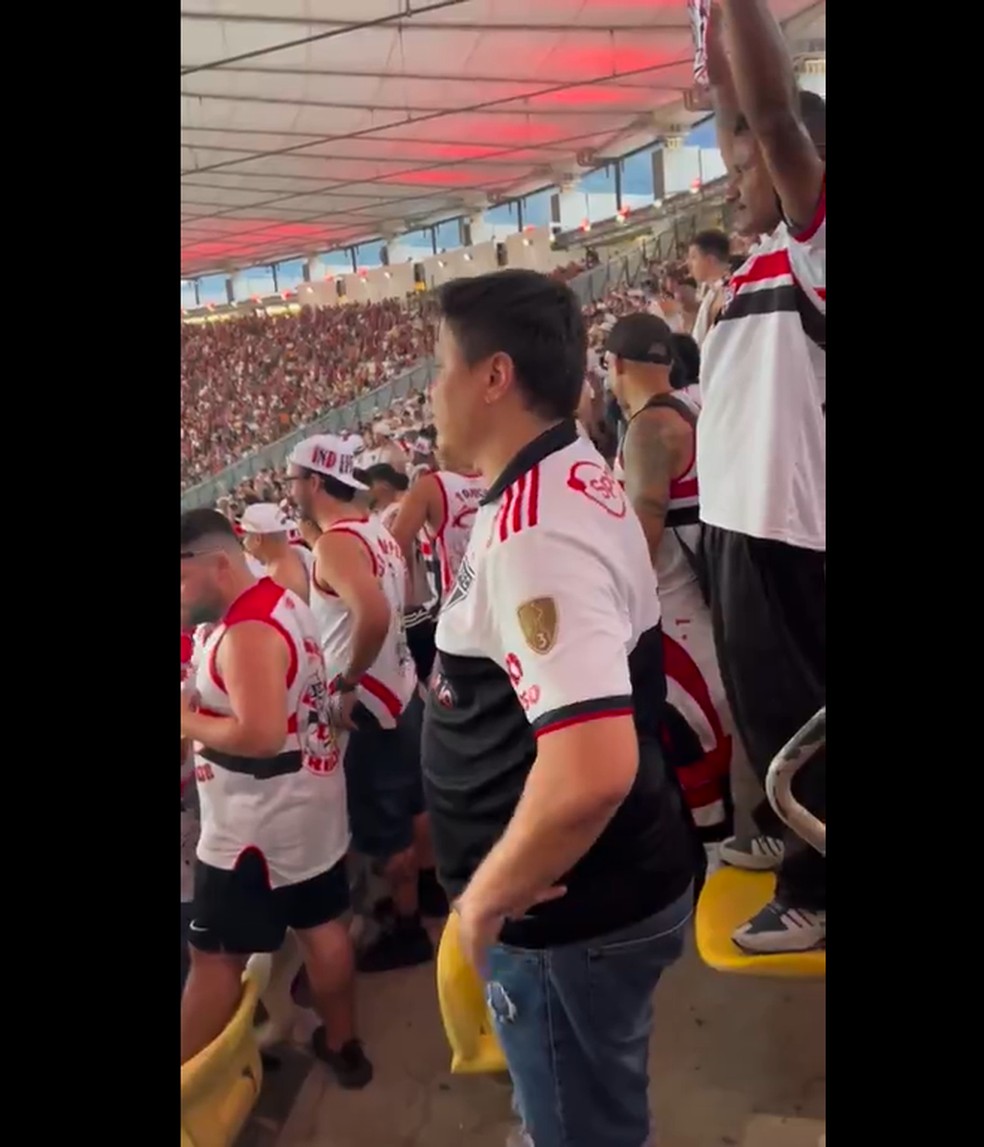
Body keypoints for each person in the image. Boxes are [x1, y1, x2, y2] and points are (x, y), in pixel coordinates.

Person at [423, 269, 699, 1147]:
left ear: (494, 375)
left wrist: (484, 902)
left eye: (440, 367)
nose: (431, 391)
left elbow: (592, 769)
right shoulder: (561, 471)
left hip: (571, 919)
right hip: (590, 902)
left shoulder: (538, 532)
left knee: (586, 1127)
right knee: (581, 1105)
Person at [698, 0, 826, 952]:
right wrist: (710, 48)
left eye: (746, 165)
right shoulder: (757, 263)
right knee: (760, 706)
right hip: (743, 521)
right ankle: (792, 836)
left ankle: (819, 889)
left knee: (801, 719)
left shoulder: (818, 244)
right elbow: (740, 108)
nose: (733, 168)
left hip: (795, 527)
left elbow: (774, 120)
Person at [178, 509, 371, 1087]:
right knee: (321, 925)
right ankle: (344, 1045)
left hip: (253, 831)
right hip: (307, 804)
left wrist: (187, 719)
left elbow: (260, 735)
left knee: (214, 960)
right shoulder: (278, 598)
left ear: (217, 566)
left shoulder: (248, 632)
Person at [286, 435, 435, 971]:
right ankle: (428, 892)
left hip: (369, 701)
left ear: (317, 482)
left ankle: (409, 925)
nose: (291, 492)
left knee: (388, 825)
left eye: (294, 481)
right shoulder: (370, 525)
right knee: (415, 805)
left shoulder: (336, 545)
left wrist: (345, 683)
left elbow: (369, 614)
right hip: (397, 686)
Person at [607, 312, 749, 859]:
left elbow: (642, 530)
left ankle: (712, 866)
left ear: (615, 364)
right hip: (707, 602)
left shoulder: (649, 429)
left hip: (674, 613)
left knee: (692, 748)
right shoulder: (693, 403)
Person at [240, 501, 312, 603]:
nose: (244, 542)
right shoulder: (297, 555)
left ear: (257, 539)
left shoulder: (275, 582)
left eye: (246, 536)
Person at [687, 230, 732, 348]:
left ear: (710, 260)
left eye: (693, 257)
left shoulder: (729, 291)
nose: (689, 264)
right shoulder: (711, 293)